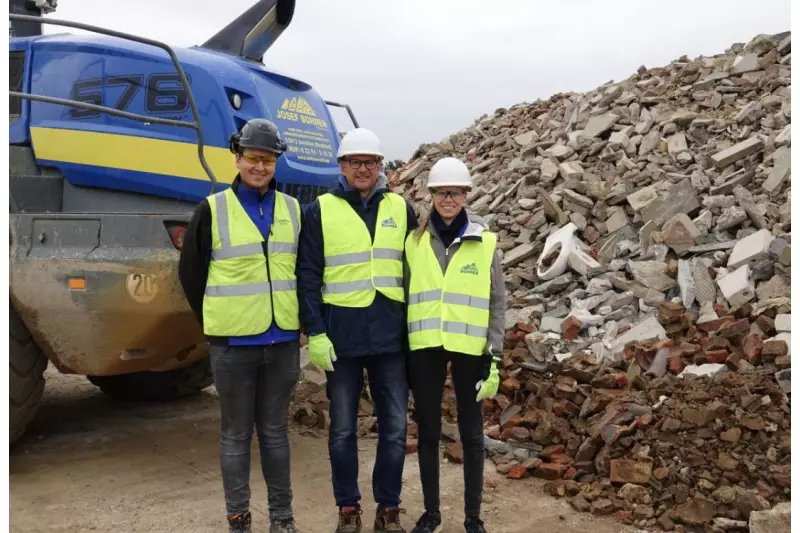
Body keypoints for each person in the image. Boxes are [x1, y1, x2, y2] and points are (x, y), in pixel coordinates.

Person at [178, 118, 302, 533]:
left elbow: (303, 271)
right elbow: (192, 275)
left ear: (276, 163)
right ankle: (239, 518)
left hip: (282, 341)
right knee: (235, 435)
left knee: (274, 432)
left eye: (268, 159)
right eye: (253, 158)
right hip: (233, 345)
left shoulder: (292, 209)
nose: (260, 166)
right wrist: (216, 321)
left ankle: (282, 519)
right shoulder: (212, 210)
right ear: (238, 158)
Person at [296, 128, 418, 533]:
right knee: (343, 431)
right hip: (341, 338)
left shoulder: (402, 209)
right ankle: (348, 509)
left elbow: (418, 271)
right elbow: (308, 274)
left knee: (396, 428)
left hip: (389, 337)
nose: (363, 169)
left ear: (380, 167)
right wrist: (315, 331)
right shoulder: (320, 210)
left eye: (370, 162)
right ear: (342, 167)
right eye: (355, 162)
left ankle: (389, 508)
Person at [403, 157, 506, 533]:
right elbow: (404, 296)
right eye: (442, 192)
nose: (449, 198)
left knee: (472, 434)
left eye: (456, 192)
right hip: (426, 348)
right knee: (428, 431)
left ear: (466, 194)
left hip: (470, 350)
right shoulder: (414, 242)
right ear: (431, 194)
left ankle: (472, 519)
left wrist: (494, 356)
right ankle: (432, 514)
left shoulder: (485, 242)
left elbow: (498, 304)